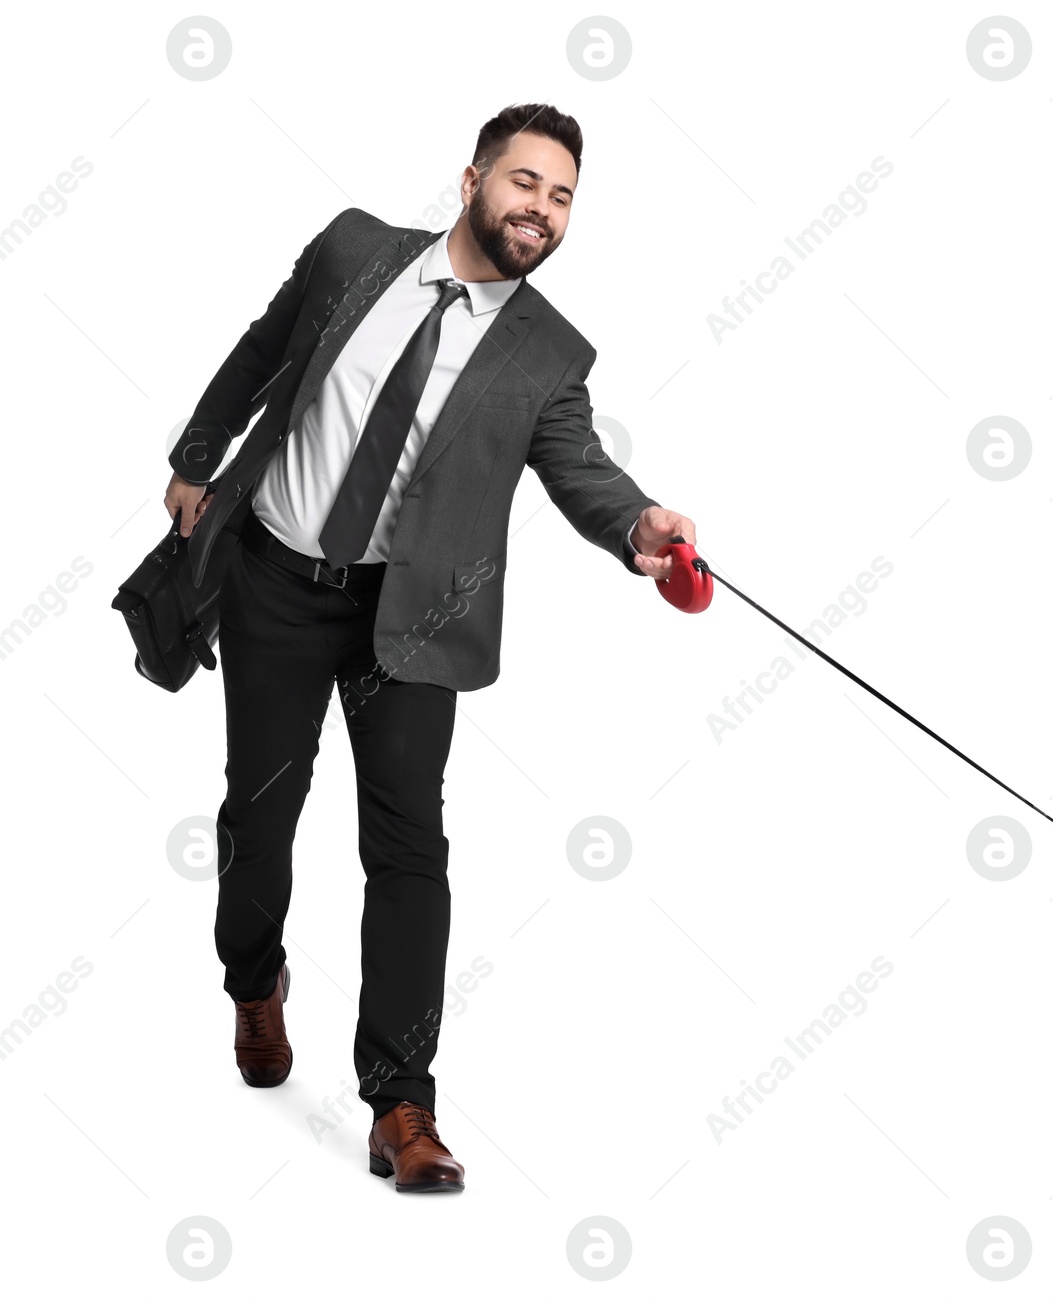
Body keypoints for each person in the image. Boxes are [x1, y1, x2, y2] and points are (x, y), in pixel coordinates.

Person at [163, 103, 696, 1193]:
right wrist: (197, 453)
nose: (540, 211)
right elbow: (264, 350)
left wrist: (638, 523)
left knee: (410, 847)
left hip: (407, 620)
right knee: (259, 816)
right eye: (526, 184)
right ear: (472, 180)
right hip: (276, 580)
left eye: (561, 197)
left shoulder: (545, 353)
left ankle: (402, 1101)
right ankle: (253, 983)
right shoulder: (356, 249)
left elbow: (580, 466)